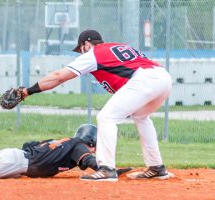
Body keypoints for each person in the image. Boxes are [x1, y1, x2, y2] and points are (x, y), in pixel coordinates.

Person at [18, 30, 172, 181]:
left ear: (86, 44)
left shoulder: (93, 54)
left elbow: (59, 76)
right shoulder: (115, 47)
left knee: (106, 117)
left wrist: (27, 91)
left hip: (145, 79)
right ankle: (156, 167)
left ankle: (107, 169)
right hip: (162, 77)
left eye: (80, 49)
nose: (80, 53)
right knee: (142, 117)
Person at [0, 106, 131, 179]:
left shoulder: (65, 142)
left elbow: (29, 143)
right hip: (16, 163)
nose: (95, 149)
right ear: (91, 141)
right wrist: (110, 170)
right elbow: (92, 163)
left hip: (14, 159)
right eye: (95, 145)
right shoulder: (78, 146)